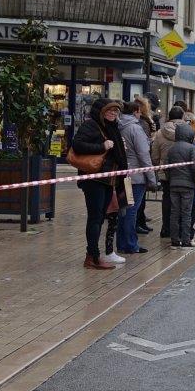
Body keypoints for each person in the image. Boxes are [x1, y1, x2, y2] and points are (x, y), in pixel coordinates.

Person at [72, 98, 128, 270]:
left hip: (108, 180)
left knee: (100, 216)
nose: (113, 113)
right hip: (94, 179)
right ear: (101, 111)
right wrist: (101, 146)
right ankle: (92, 257)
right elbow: (77, 145)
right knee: (95, 218)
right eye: (110, 110)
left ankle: (94, 255)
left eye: (116, 111)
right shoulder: (91, 126)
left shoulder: (112, 127)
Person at [116, 101, 157, 255]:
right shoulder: (135, 128)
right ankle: (130, 244)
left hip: (124, 174)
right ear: (136, 112)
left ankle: (121, 243)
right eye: (139, 112)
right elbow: (143, 155)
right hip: (136, 176)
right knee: (131, 211)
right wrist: (151, 178)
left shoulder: (119, 126)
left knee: (124, 210)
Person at [151, 106, 187, 238]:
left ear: (169, 117)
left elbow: (154, 155)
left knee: (167, 199)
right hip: (183, 173)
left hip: (165, 172)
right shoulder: (188, 131)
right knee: (183, 201)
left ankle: (166, 228)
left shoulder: (160, 133)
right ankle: (180, 230)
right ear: (182, 116)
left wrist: (158, 164)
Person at [166, 122, 195, 248]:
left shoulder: (172, 148)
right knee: (186, 213)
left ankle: (174, 239)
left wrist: (171, 180)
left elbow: (166, 167)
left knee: (174, 213)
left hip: (174, 185)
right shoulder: (192, 148)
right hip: (188, 185)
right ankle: (186, 239)